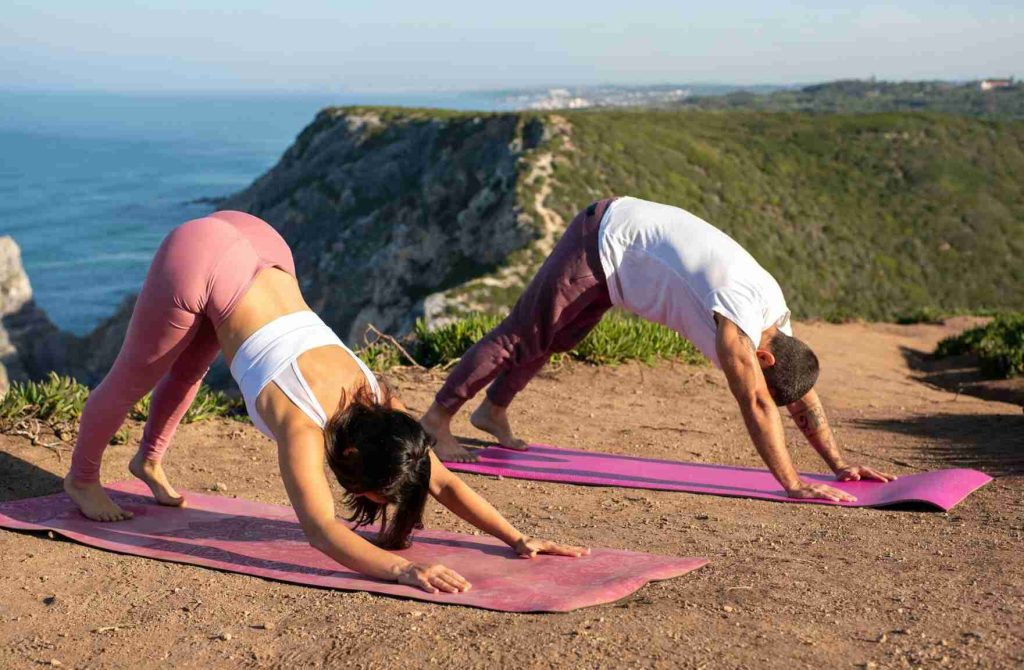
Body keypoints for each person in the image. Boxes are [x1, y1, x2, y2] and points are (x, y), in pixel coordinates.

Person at [65, 211, 587, 594]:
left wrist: (518, 538)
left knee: (194, 362)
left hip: (261, 243)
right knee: (134, 377)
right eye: (367, 490)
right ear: (354, 458)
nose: (357, 495)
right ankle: (82, 478)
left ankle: (148, 460)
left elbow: (443, 479)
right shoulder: (302, 426)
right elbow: (319, 531)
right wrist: (403, 569)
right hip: (204, 255)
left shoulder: (385, 408)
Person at [421, 197, 896, 502]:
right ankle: (436, 421)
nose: (763, 383)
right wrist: (793, 485)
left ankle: (492, 412)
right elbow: (756, 400)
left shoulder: (779, 324)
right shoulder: (737, 325)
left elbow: (798, 393)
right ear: (763, 358)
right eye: (764, 376)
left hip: (621, 266)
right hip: (603, 239)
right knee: (520, 335)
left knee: (556, 337)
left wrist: (839, 465)